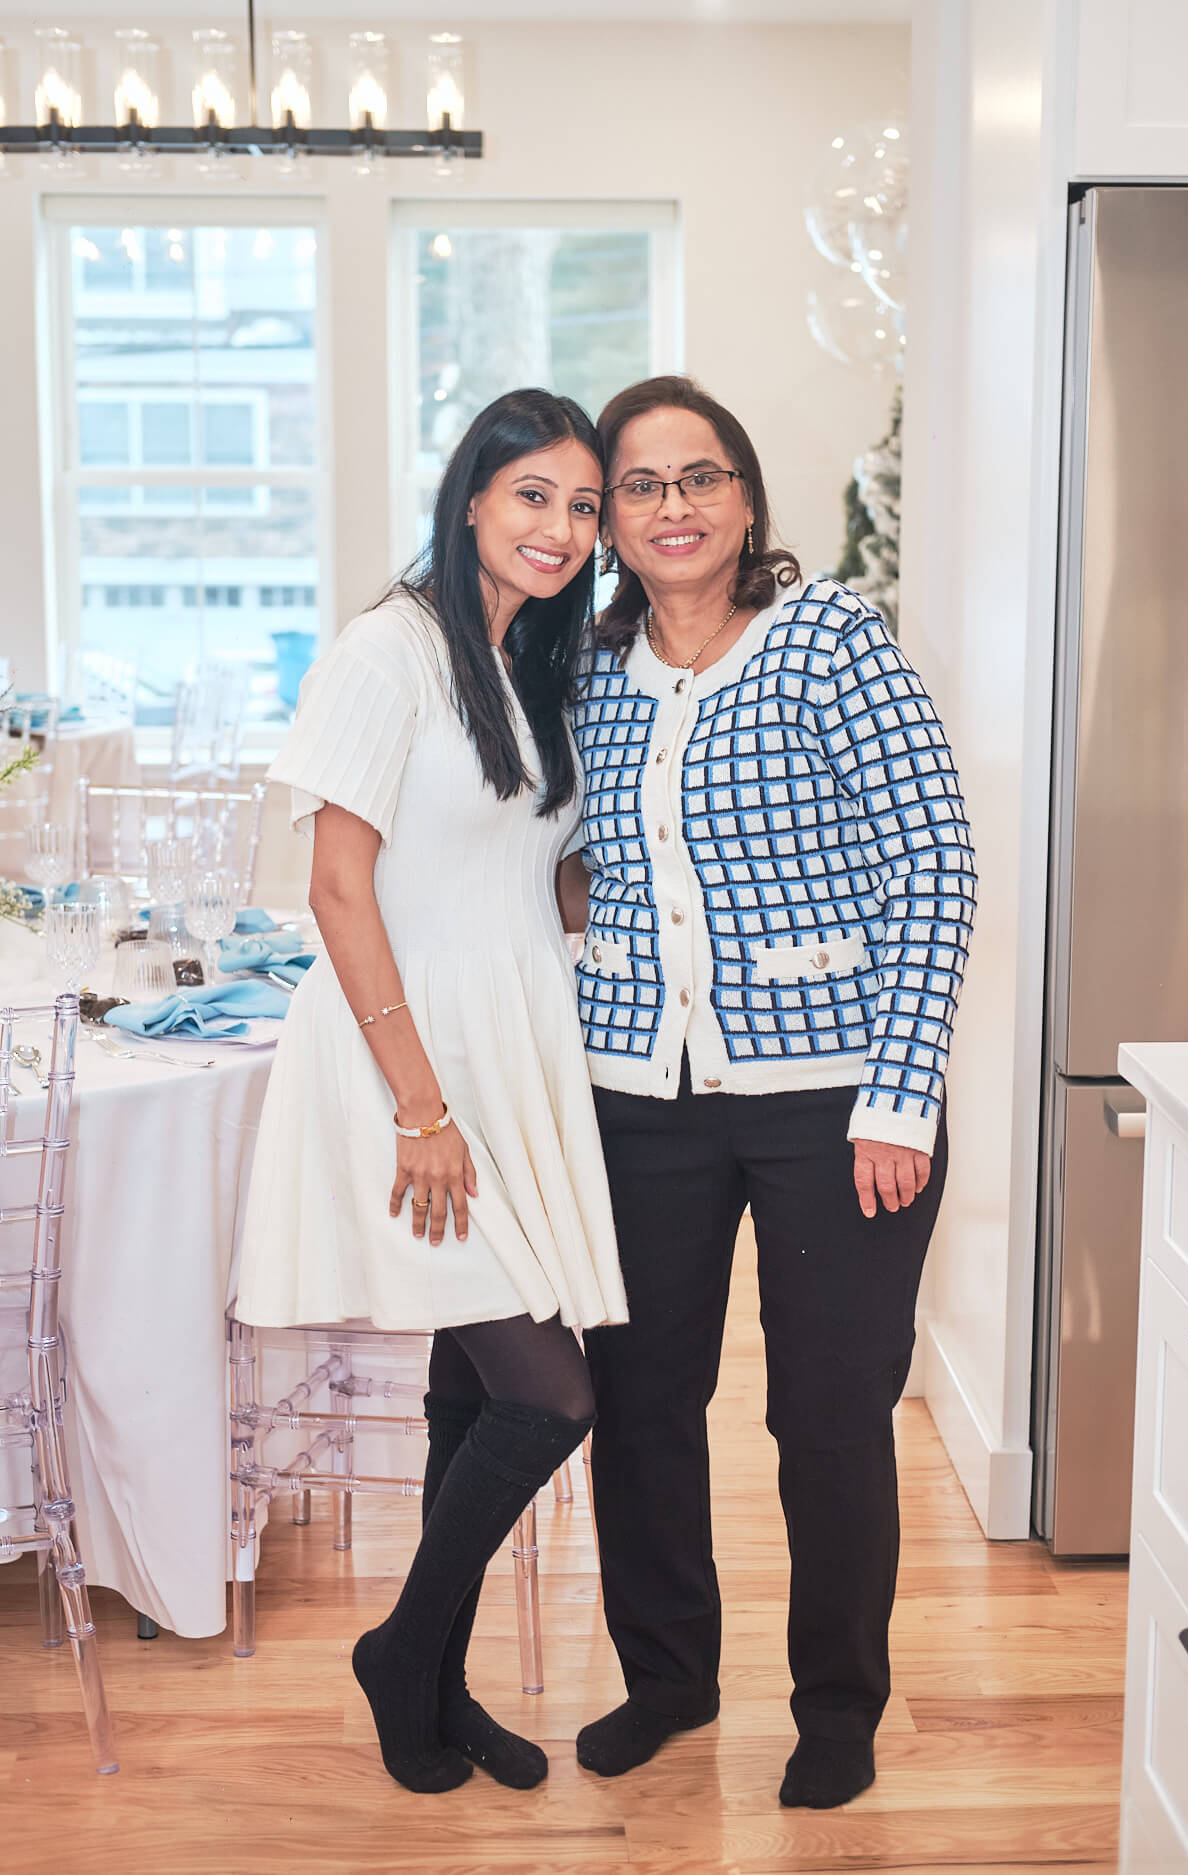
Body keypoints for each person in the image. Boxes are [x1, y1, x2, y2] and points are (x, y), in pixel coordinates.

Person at [559, 375, 976, 1810]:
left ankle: (838, 1708)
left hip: (835, 1105)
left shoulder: (830, 639)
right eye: (640, 484)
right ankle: (667, 1679)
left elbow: (933, 861)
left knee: (829, 1416)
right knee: (641, 1401)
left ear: (744, 497)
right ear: (609, 518)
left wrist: (900, 1096)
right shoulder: (590, 670)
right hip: (637, 1095)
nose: (672, 507)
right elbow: (564, 857)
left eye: (701, 477)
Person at [236, 388, 628, 1795]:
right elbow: (338, 887)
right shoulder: (387, 651)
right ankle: (403, 1655)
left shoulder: (529, 664)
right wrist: (419, 1106)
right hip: (401, 1060)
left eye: (583, 508)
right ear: (470, 499)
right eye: (534, 496)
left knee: (472, 1392)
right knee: (550, 1396)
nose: (561, 529)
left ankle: (432, 1681)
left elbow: (522, 874)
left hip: (508, 1048)